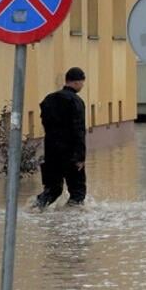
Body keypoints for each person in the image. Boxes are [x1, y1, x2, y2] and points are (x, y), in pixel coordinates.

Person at [33, 67, 87, 210]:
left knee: (52, 190)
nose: (82, 85)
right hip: (71, 153)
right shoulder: (76, 102)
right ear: (76, 82)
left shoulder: (48, 99)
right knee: (78, 192)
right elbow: (79, 130)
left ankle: (34, 209)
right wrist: (80, 156)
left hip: (51, 152)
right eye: (82, 82)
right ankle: (71, 223)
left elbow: (45, 124)